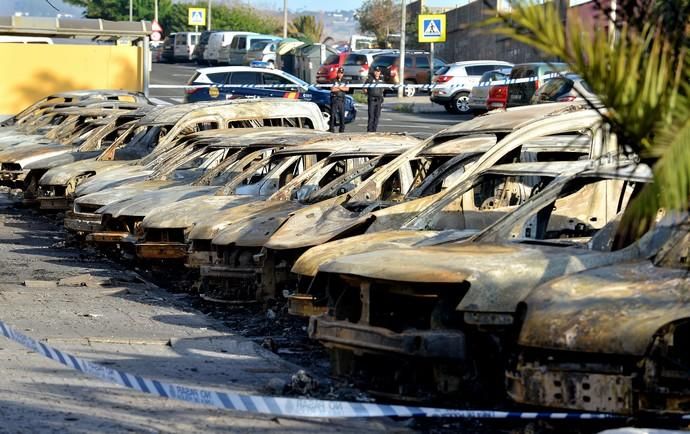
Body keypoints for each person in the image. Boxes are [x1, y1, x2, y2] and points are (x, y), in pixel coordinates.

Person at [364, 66, 385, 132]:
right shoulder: (370, 79)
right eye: (376, 71)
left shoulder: (381, 79)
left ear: (380, 72)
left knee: (377, 116)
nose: (377, 73)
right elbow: (365, 88)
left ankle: (374, 130)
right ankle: (369, 130)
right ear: (374, 72)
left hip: (379, 100)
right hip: (372, 99)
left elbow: (383, 89)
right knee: (371, 116)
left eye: (378, 71)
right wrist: (369, 94)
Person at [329, 67, 349, 133]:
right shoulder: (333, 80)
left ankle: (342, 129)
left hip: (341, 99)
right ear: (337, 73)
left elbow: (347, 89)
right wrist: (341, 88)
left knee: (342, 115)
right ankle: (331, 129)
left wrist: (338, 87)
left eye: (342, 73)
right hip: (335, 98)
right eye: (339, 73)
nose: (340, 74)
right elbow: (332, 89)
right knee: (332, 114)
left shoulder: (345, 80)